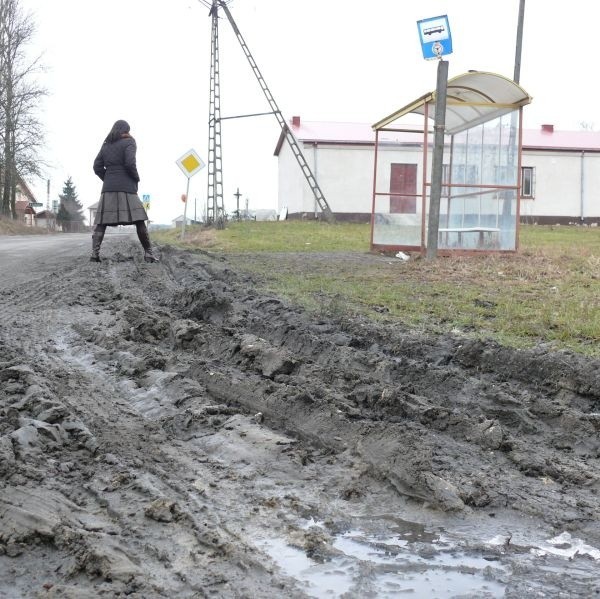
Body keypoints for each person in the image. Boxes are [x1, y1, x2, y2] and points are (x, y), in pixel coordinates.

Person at [91, 119, 158, 263]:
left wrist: (108, 178)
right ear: (126, 131)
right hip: (127, 187)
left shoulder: (106, 145)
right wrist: (135, 178)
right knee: (140, 220)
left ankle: (94, 255)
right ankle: (148, 253)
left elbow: (96, 167)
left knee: (101, 222)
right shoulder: (130, 142)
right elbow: (130, 163)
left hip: (108, 188)